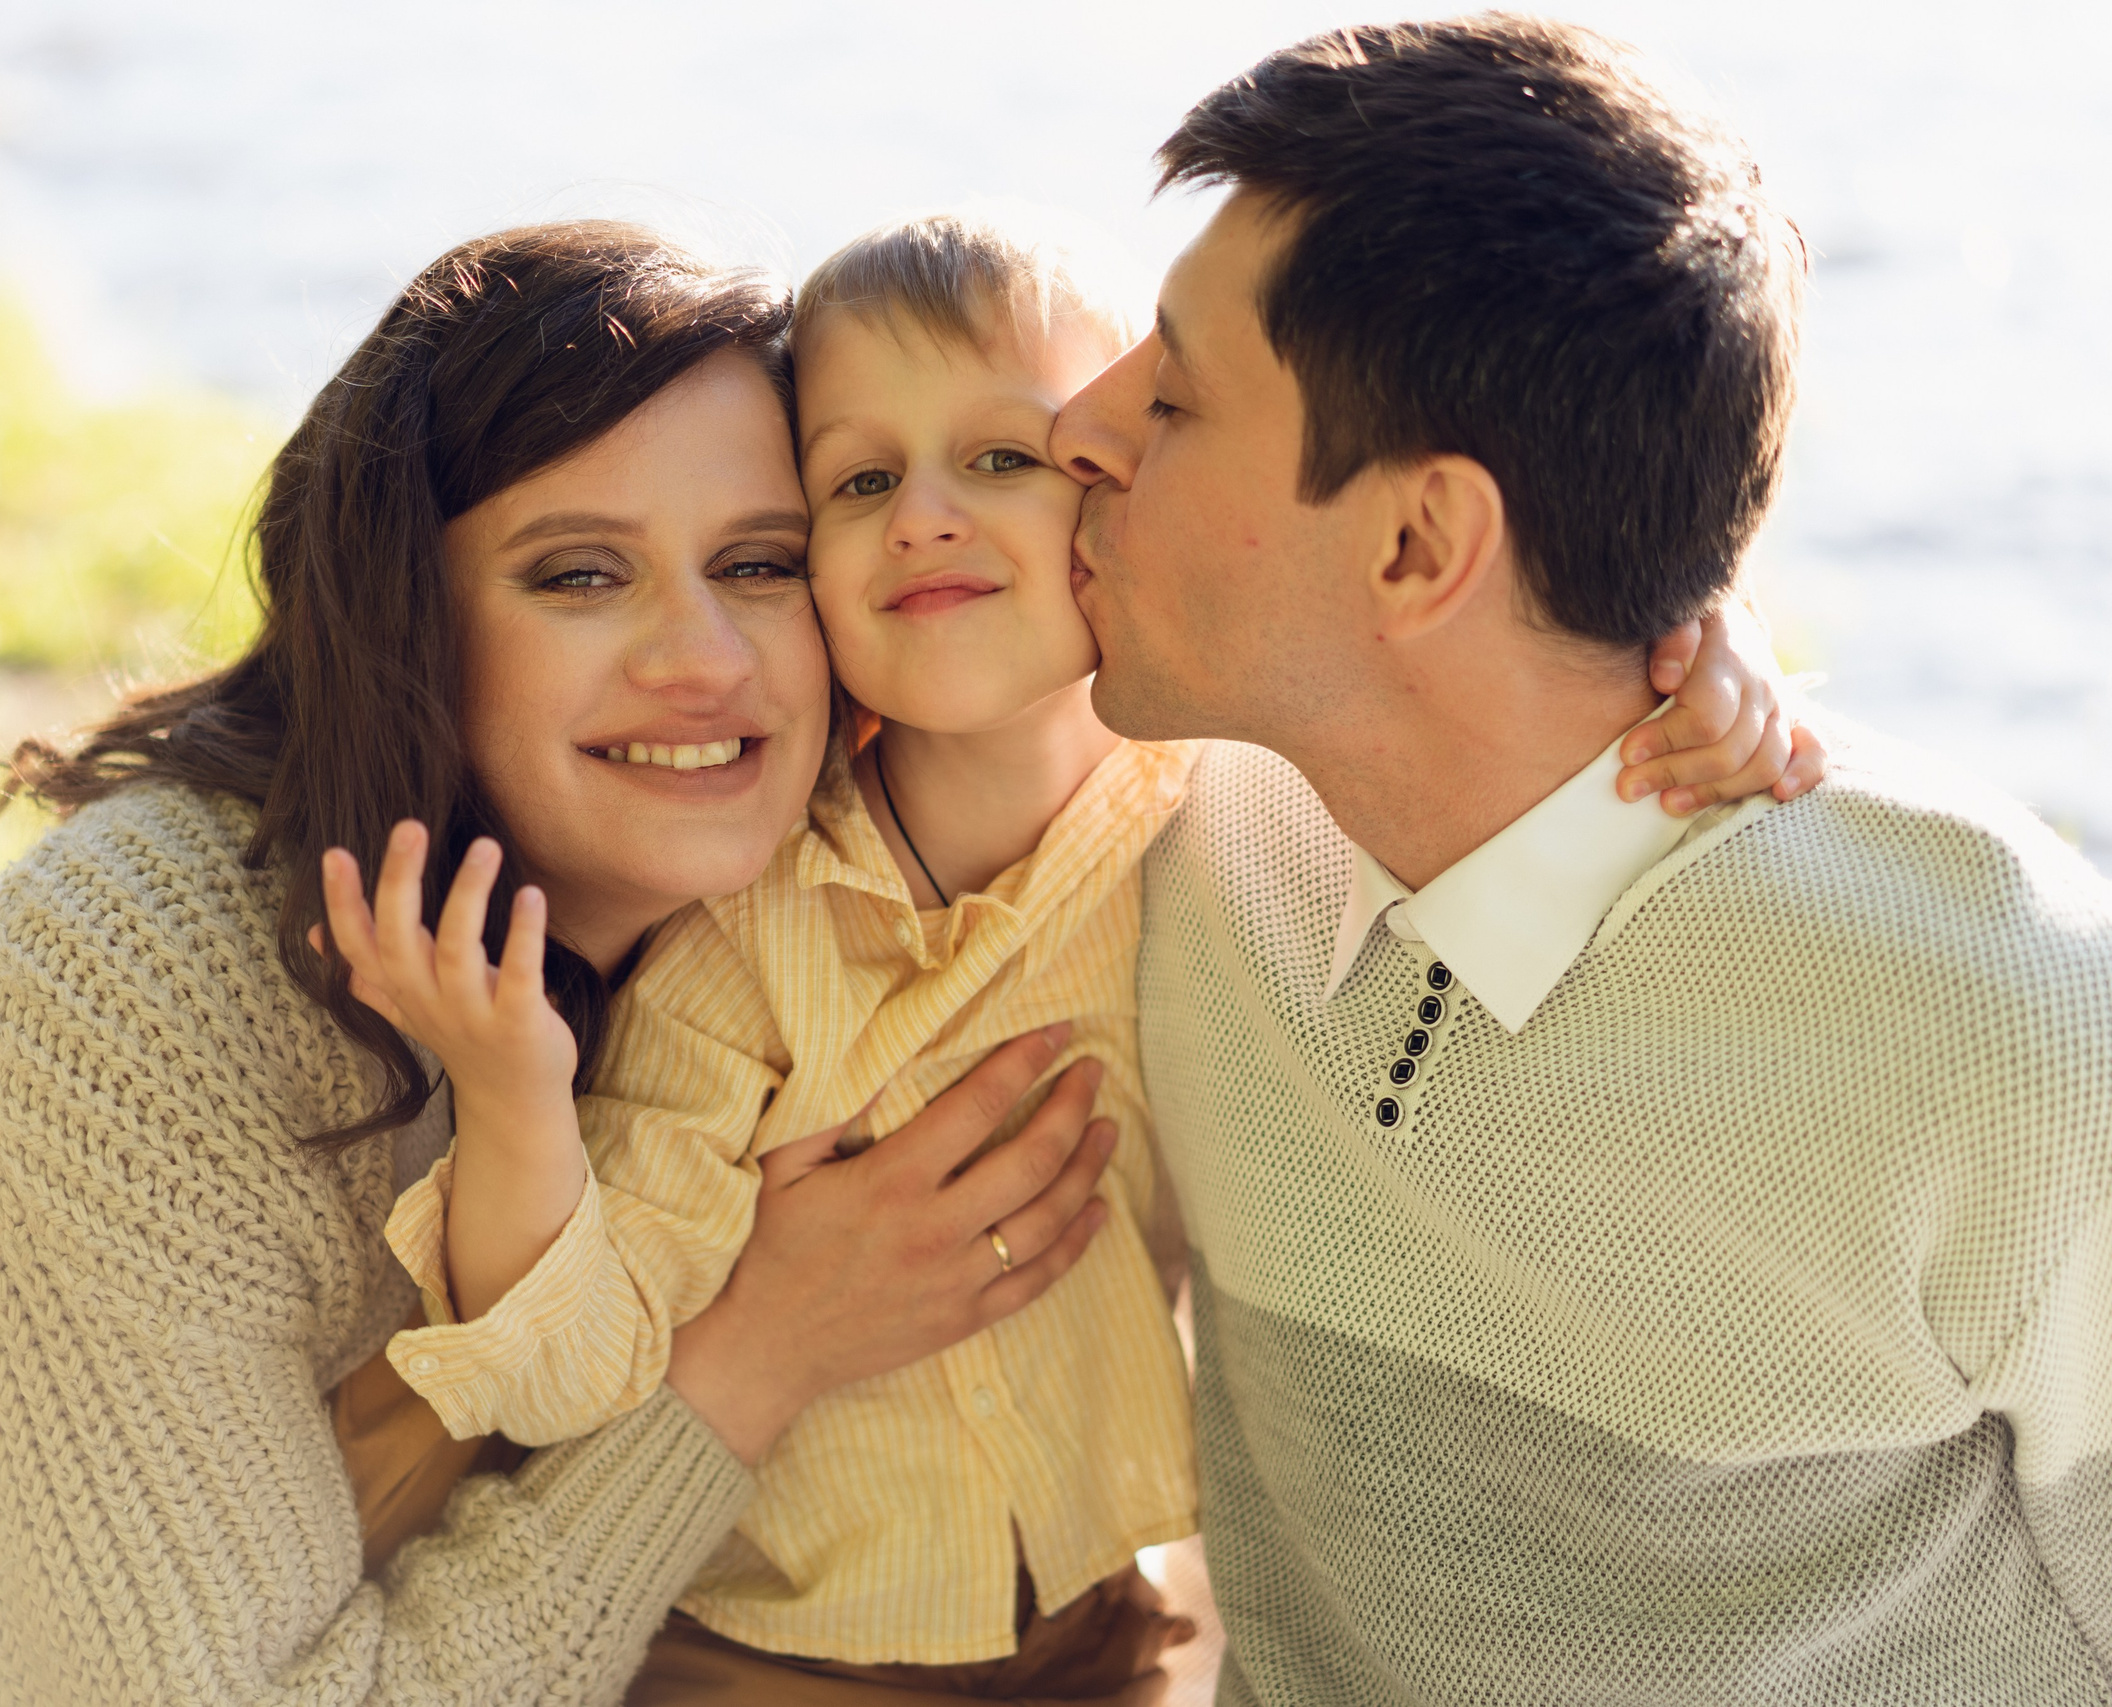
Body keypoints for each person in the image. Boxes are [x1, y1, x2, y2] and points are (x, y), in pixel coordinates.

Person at [0, 222, 1125, 1707]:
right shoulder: (156, 973)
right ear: (406, 628)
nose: (703, 658)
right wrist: (755, 1360)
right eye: (580, 572)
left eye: (763, 562)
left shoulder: (754, 915)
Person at [333, 209, 1820, 1700]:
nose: (923, 515)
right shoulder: (750, 942)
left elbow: (1452, 653)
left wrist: (1696, 629)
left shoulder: (1228, 815)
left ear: (1121, 499)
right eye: (858, 481)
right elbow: (559, 1374)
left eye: (1003, 459)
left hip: (1111, 1634)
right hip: (771, 1654)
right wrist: (520, 1100)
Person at [1050, 17, 2112, 1704]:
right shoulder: (1161, 822)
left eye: (1170, 395)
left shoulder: (2015, 1029)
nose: (1076, 431)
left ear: (1418, 545)